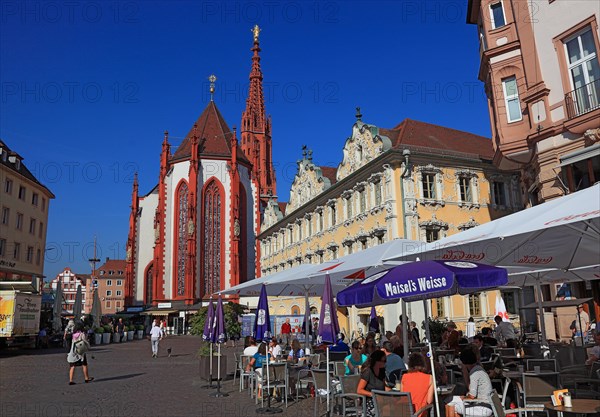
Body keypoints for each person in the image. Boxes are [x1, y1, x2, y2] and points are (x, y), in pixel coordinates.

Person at [447, 349, 493, 417]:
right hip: (485, 404)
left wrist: (464, 398)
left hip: (483, 408)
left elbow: (472, 396)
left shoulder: (474, 373)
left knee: (450, 405)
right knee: (449, 400)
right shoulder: (478, 368)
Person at [357, 350, 391, 417]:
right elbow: (359, 390)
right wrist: (373, 395)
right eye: (383, 361)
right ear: (377, 361)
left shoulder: (382, 371)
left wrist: (393, 391)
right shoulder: (368, 372)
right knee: (388, 408)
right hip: (370, 401)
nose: (385, 363)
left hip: (381, 399)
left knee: (394, 404)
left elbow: (383, 386)